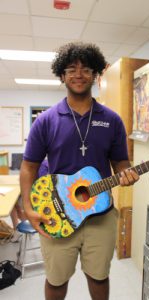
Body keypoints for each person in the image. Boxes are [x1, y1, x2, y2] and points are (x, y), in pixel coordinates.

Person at [20, 42, 139, 300]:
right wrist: (29, 208)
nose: (78, 74)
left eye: (86, 69)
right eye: (71, 69)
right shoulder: (46, 120)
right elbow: (28, 166)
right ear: (61, 75)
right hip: (58, 213)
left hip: (100, 214)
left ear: (95, 74)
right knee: (56, 280)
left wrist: (126, 173)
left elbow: (121, 162)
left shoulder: (111, 120)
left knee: (99, 276)